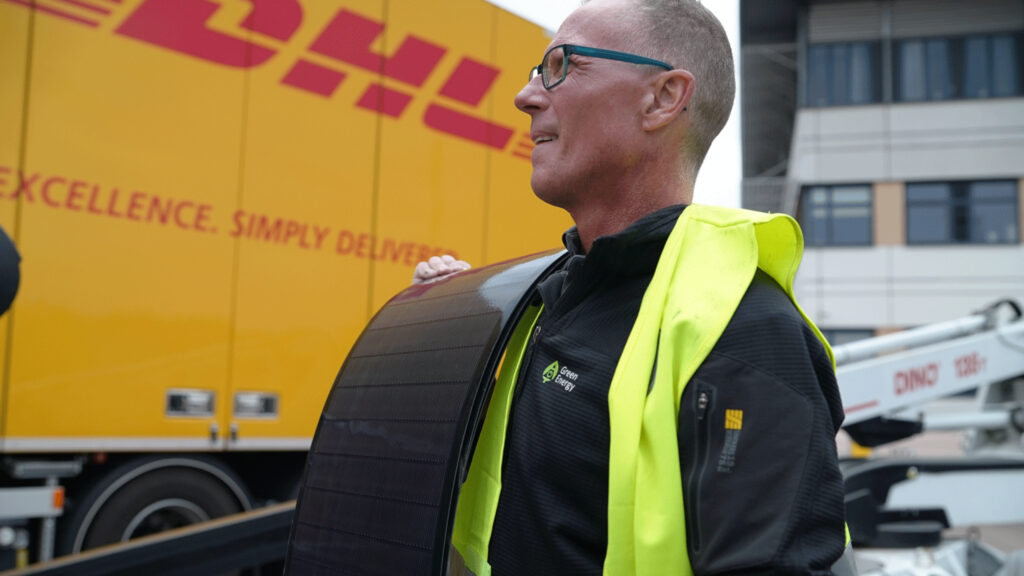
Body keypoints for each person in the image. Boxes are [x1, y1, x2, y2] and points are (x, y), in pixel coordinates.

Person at [425, 1, 851, 574]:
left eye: (562, 66)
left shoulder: (748, 334)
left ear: (663, 99)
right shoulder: (548, 303)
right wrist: (440, 345)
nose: (526, 97)